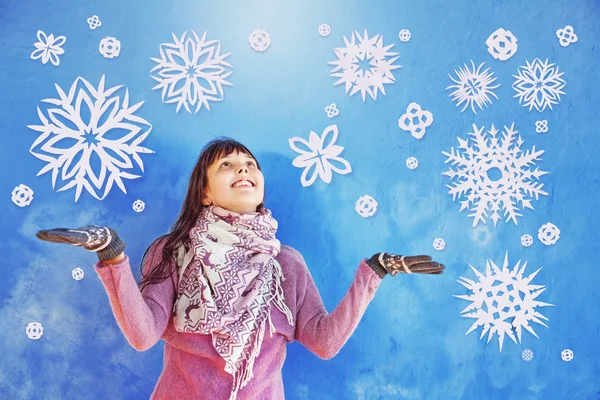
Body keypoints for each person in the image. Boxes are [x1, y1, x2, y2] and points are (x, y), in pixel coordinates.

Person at [36, 138, 445, 400]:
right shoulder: (174, 252)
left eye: (249, 164)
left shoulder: (286, 264)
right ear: (206, 189)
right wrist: (113, 255)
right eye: (228, 165)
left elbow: (324, 342)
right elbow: (144, 335)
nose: (244, 170)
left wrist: (373, 273)